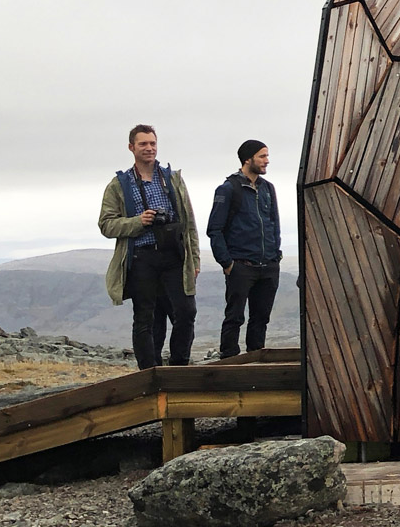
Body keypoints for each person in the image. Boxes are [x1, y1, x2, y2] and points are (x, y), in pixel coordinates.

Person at [98, 124, 201, 368]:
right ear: (131, 147)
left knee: (186, 312)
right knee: (145, 318)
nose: (149, 148)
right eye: (143, 144)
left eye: (153, 143)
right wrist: (138, 222)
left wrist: (194, 259)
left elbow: (189, 222)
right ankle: (149, 371)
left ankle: (179, 367)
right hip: (142, 258)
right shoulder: (119, 185)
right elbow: (106, 225)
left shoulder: (172, 179)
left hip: (174, 255)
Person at [206, 140, 282, 358]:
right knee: (234, 317)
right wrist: (228, 263)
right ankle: (228, 362)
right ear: (247, 159)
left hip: (268, 266)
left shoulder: (268, 188)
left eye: (267, 156)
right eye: (262, 156)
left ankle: (256, 361)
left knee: (261, 318)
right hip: (241, 266)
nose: (267, 161)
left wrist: (275, 256)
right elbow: (215, 229)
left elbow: (274, 223)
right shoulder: (228, 189)